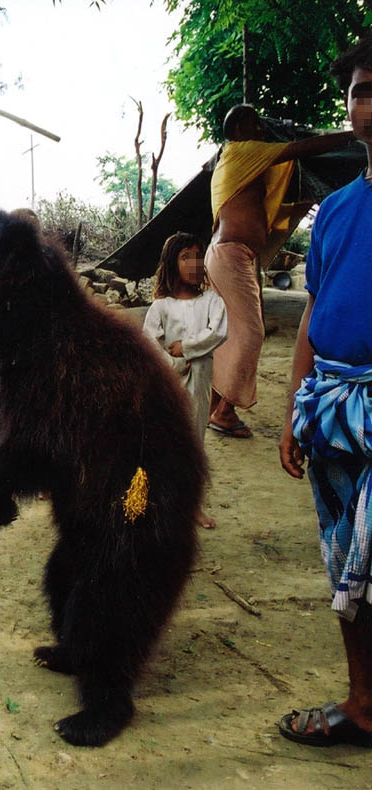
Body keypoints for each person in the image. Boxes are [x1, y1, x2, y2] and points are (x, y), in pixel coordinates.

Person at [278, 35, 372, 747]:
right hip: (332, 410)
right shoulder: (335, 210)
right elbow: (312, 313)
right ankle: (362, 703)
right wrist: (292, 412)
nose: (369, 106)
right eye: (360, 93)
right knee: (344, 564)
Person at [205, 104, 353, 439]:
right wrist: (353, 133)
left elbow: (262, 210)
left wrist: (298, 207)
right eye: (256, 124)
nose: (262, 130)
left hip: (233, 255)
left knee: (232, 333)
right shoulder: (243, 150)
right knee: (251, 333)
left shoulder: (241, 163)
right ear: (241, 128)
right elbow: (303, 148)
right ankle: (224, 412)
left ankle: (213, 405)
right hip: (230, 255)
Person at [143, 232, 227, 529]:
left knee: (194, 445)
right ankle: (158, 505)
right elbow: (151, 344)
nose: (194, 263)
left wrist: (186, 347)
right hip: (168, 389)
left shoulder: (212, 301)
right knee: (164, 447)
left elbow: (218, 332)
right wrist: (176, 363)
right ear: (170, 263)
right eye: (185, 257)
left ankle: (191, 507)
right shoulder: (161, 307)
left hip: (199, 389)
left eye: (198, 256)